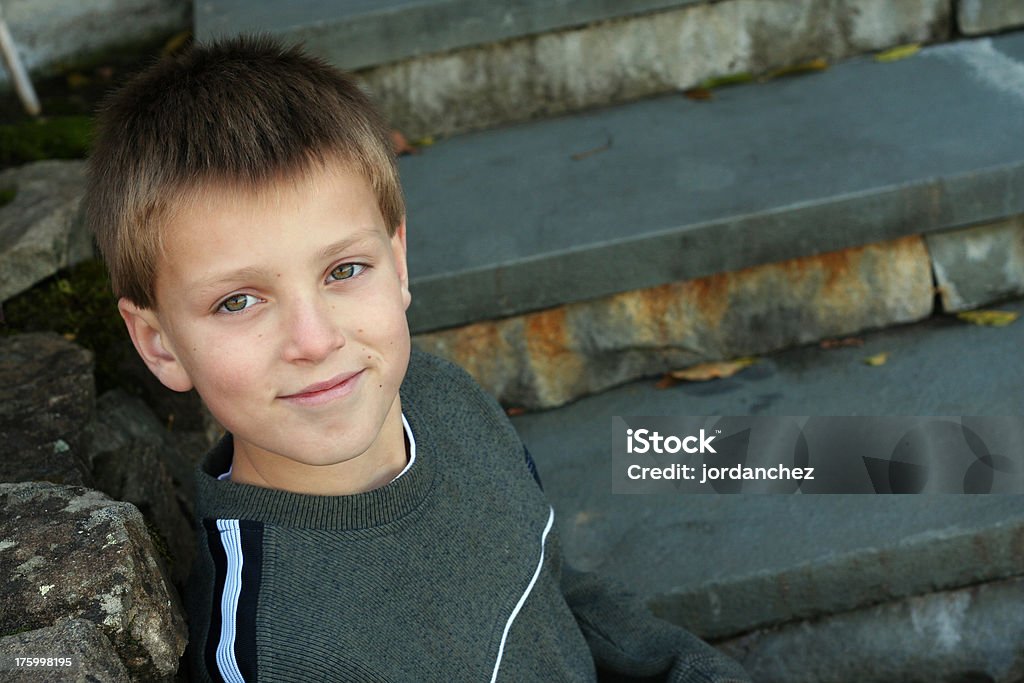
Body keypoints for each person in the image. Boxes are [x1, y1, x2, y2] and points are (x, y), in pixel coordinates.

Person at [84, 35, 751, 682]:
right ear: (159, 343)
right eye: (238, 302)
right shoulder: (272, 651)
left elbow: (555, 589)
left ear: (398, 262)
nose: (315, 341)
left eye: (344, 268)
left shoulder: (443, 397)